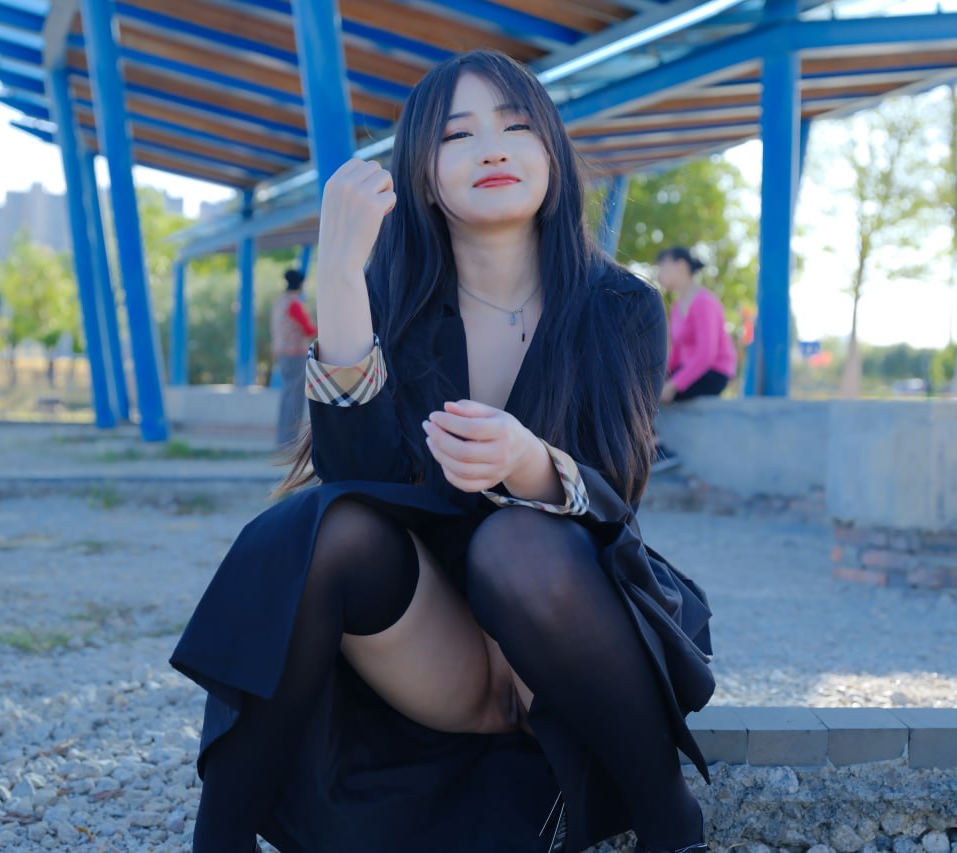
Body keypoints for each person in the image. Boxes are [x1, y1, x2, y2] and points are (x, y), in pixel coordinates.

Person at [171, 49, 715, 853]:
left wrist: (529, 462)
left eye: (516, 127)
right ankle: (218, 839)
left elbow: (618, 497)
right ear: (423, 178)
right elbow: (358, 483)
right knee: (315, 527)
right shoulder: (396, 297)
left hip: (567, 631)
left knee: (515, 543)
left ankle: (669, 817)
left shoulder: (620, 305)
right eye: (458, 135)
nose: (491, 149)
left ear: (552, 154)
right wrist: (340, 272)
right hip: (432, 650)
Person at [650, 247, 738, 474]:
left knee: (650, 392)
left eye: (663, 266)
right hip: (691, 370)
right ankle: (651, 444)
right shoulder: (678, 306)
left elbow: (706, 355)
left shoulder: (704, 301)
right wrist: (658, 376)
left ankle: (658, 450)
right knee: (641, 384)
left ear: (681, 265)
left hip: (714, 373)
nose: (659, 273)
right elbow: (677, 354)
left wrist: (673, 385)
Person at [271, 268, 318, 447]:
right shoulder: (294, 304)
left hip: (282, 354)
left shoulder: (279, 302)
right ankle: (289, 439)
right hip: (296, 354)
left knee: (287, 394)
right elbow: (309, 329)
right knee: (295, 397)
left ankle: (282, 437)